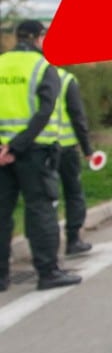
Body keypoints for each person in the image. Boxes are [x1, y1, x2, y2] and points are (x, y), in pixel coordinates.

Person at [0, 19, 82, 290]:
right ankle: (48, 272)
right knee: (40, 210)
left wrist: (5, 148)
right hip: (34, 152)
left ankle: (1, 276)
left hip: (2, 154)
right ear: (39, 37)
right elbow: (45, 111)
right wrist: (17, 146)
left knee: (1, 213)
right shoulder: (44, 66)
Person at [52, 63, 94, 255]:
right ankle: (73, 239)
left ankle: (46, 247)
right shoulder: (65, 79)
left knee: (42, 200)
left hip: (33, 148)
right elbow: (77, 116)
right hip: (66, 147)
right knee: (73, 192)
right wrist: (87, 149)